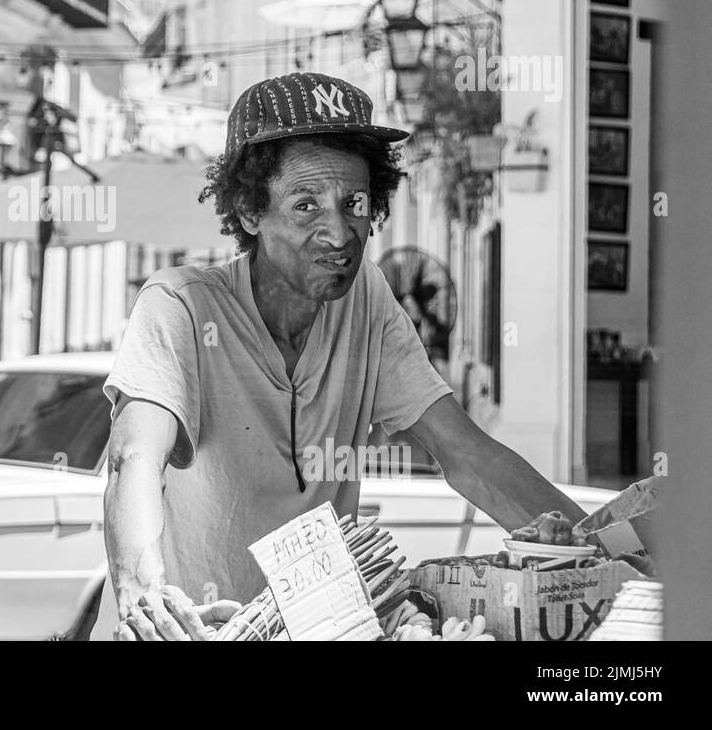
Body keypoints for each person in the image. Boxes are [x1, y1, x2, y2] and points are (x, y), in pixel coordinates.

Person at [92, 72, 586, 641]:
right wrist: (142, 592)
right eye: (306, 204)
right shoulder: (177, 305)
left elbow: (464, 453)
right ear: (251, 212)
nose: (340, 232)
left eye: (353, 203)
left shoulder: (366, 300)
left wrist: (598, 550)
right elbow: (134, 459)